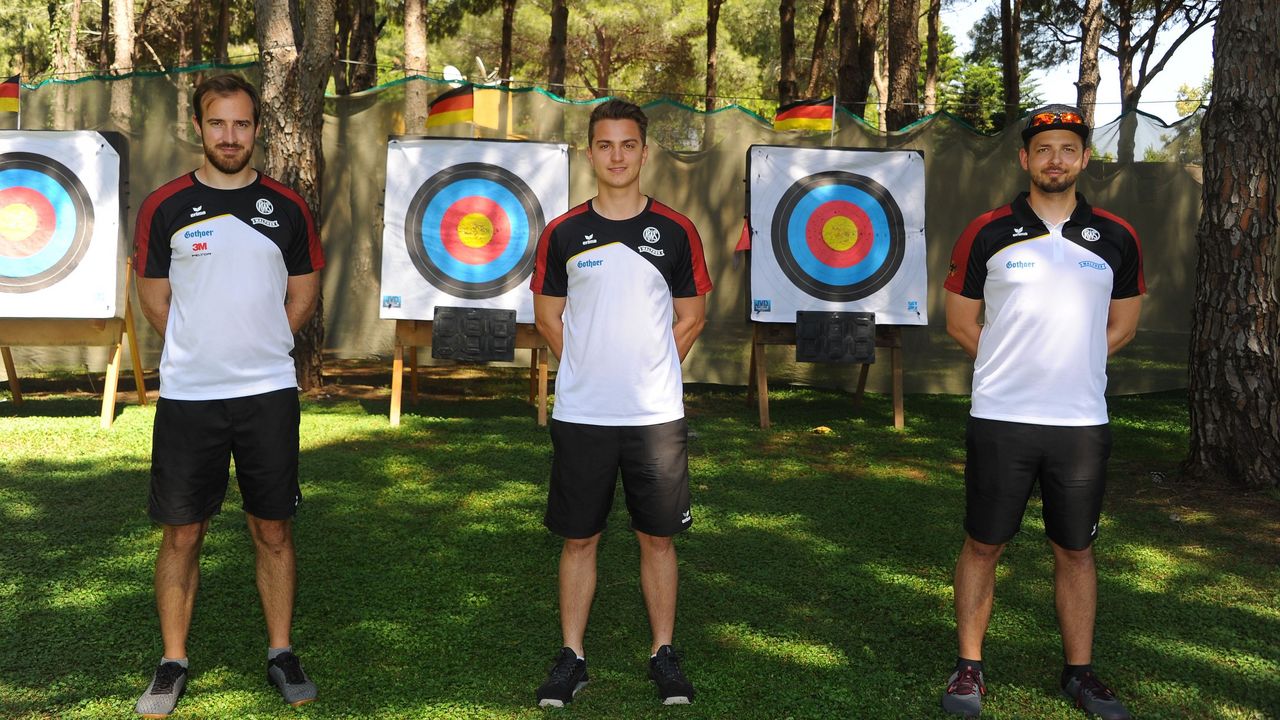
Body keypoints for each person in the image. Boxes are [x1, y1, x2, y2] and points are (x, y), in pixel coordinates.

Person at [939, 104, 1144, 720]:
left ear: (1083, 159)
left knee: (1075, 550)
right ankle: (969, 668)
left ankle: (1080, 674)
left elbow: (1123, 326)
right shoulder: (987, 230)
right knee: (983, 544)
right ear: (1025, 158)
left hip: (1080, 423)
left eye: (1068, 149)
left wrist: (1067, 363)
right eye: (1044, 149)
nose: (1056, 160)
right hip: (1002, 418)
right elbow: (959, 321)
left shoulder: (1116, 235)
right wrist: (1016, 367)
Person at [132, 74, 324, 718]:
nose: (230, 136)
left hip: (268, 393)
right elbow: (155, 299)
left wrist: (260, 344)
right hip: (190, 397)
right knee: (182, 532)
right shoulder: (164, 207)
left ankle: (280, 652)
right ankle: (173, 661)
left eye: (242, 124)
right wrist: (203, 346)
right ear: (198, 126)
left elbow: (303, 293)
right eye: (218, 124)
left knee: (273, 528)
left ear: (258, 129)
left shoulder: (288, 208)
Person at [529, 99, 713, 707]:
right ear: (590, 152)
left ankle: (663, 652)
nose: (616, 156)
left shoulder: (677, 230)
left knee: (656, 538)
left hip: (654, 417)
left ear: (644, 151)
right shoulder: (563, 232)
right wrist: (586, 364)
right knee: (579, 538)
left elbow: (692, 318)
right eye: (605, 145)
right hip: (581, 413)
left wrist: (649, 371)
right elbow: (548, 316)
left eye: (627, 145)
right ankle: (572, 657)